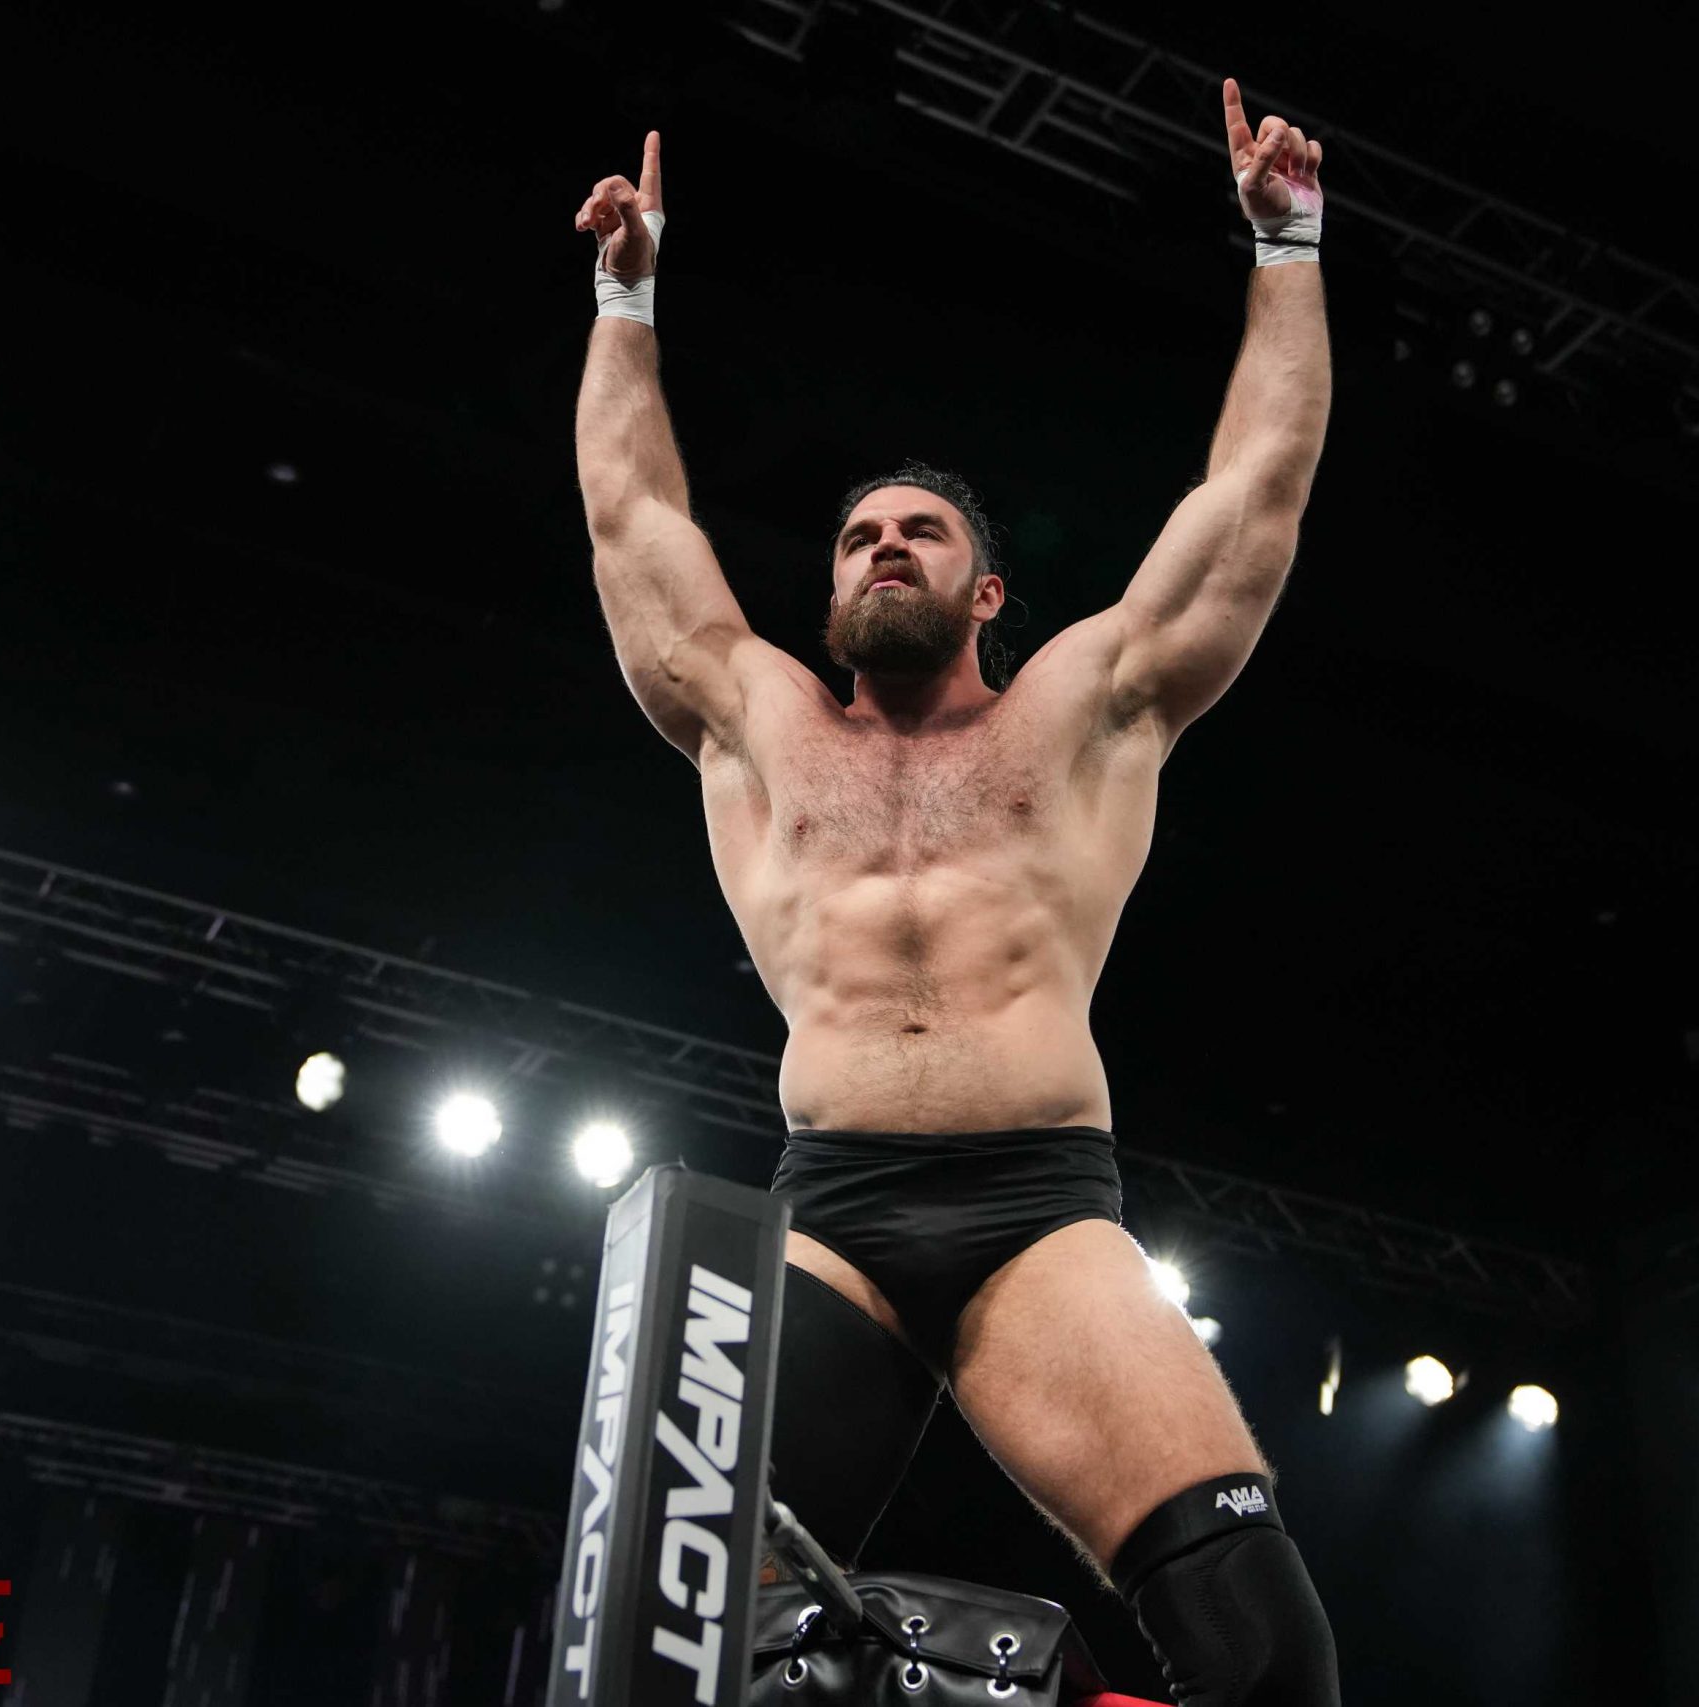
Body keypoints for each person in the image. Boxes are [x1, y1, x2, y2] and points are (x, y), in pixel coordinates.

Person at [570, 82, 1338, 1705]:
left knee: (1265, 1655)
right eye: (859, 536)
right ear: (830, 591)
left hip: (1036, 1210)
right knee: (656, 1653)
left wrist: (1289, 249)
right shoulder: (756, 719)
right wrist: (622, 301)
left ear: (986, 589)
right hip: (826, 1213)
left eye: (921, 533)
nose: (885, 547)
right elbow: (632, 518)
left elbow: (1254, 495)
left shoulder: (1084, 707)